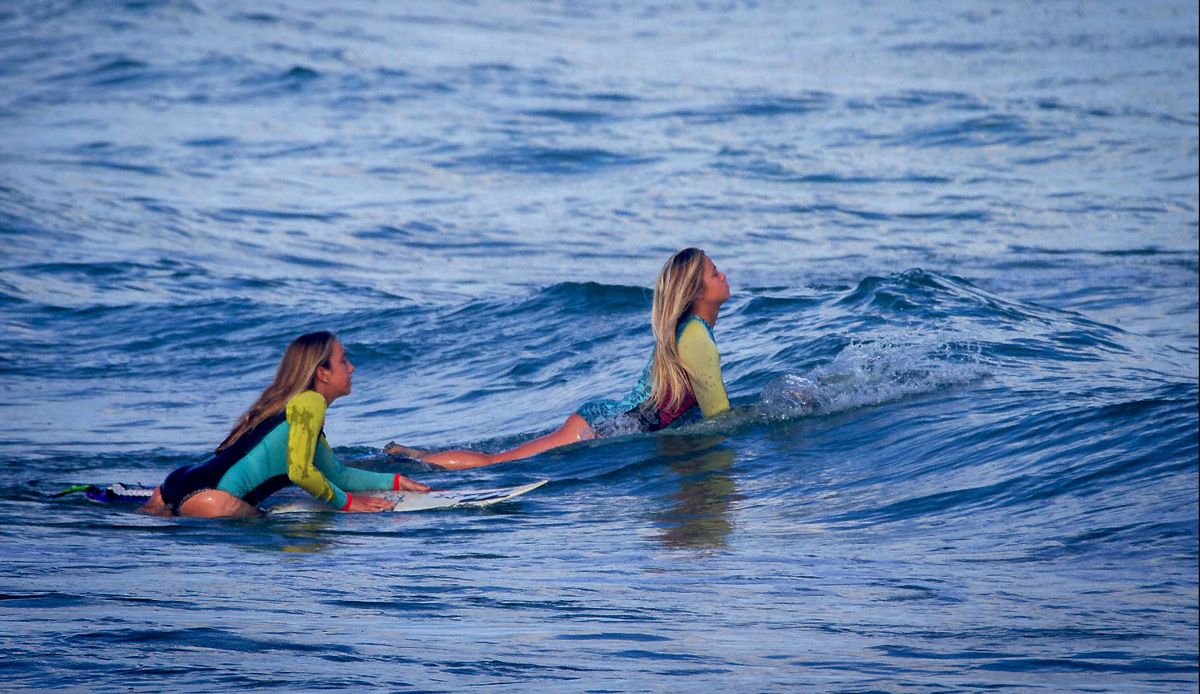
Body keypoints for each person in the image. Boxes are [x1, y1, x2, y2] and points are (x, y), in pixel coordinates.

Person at [385, 247, 732, 469]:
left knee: (502, 459)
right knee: (495, 462)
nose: (724, 275)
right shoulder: (696, 337)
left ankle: (421, 458)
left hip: (609, 421)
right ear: (697, 292)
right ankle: (418, 464)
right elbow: (721, 420)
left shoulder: (688, 331)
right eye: (715, 273)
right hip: (603, 427)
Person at [140, 331, 429, 518]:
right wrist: (348, 503)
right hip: (215, 501)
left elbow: (335, 475)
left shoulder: (288, 406)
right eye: (343, 361)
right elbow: (301, 472)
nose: (351, 368)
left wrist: (392, 481)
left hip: (175, 483)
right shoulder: (310, 403)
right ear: (322, 374)